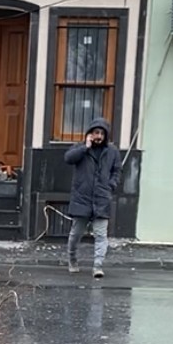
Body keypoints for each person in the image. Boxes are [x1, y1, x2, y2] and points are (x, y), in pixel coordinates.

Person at [63, 117, 121, 279]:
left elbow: (117, 170)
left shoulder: (112, 152)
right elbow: (68, 158)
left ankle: (98, 266)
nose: (99, 136)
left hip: (102, 198)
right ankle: (72, 259)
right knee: (76, 233)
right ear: (89, 134)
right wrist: (85, 147)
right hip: (82, 198)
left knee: (101, 234)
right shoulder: (80, 149)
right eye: (96, 132)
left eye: (102, 133)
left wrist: (111, 185)